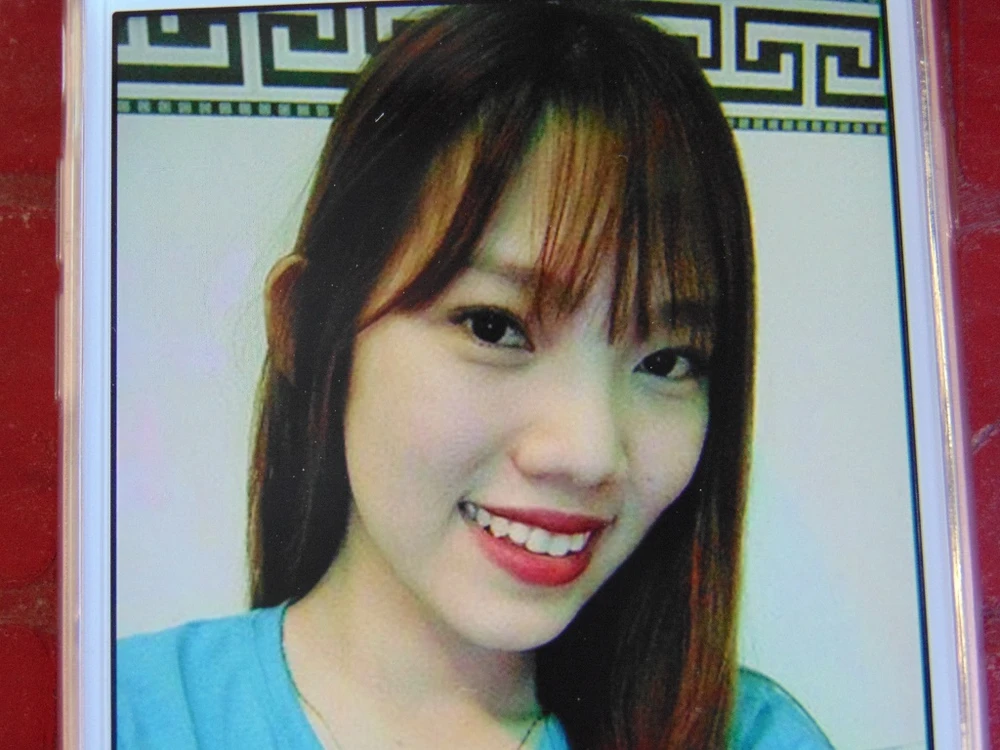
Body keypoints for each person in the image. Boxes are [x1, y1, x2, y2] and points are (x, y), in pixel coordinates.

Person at [117, 2, 833, 748]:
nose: (589, 453)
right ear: (310, 327)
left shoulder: (751, 739)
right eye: (494, 326)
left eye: (666, 361)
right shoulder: (123, 713)